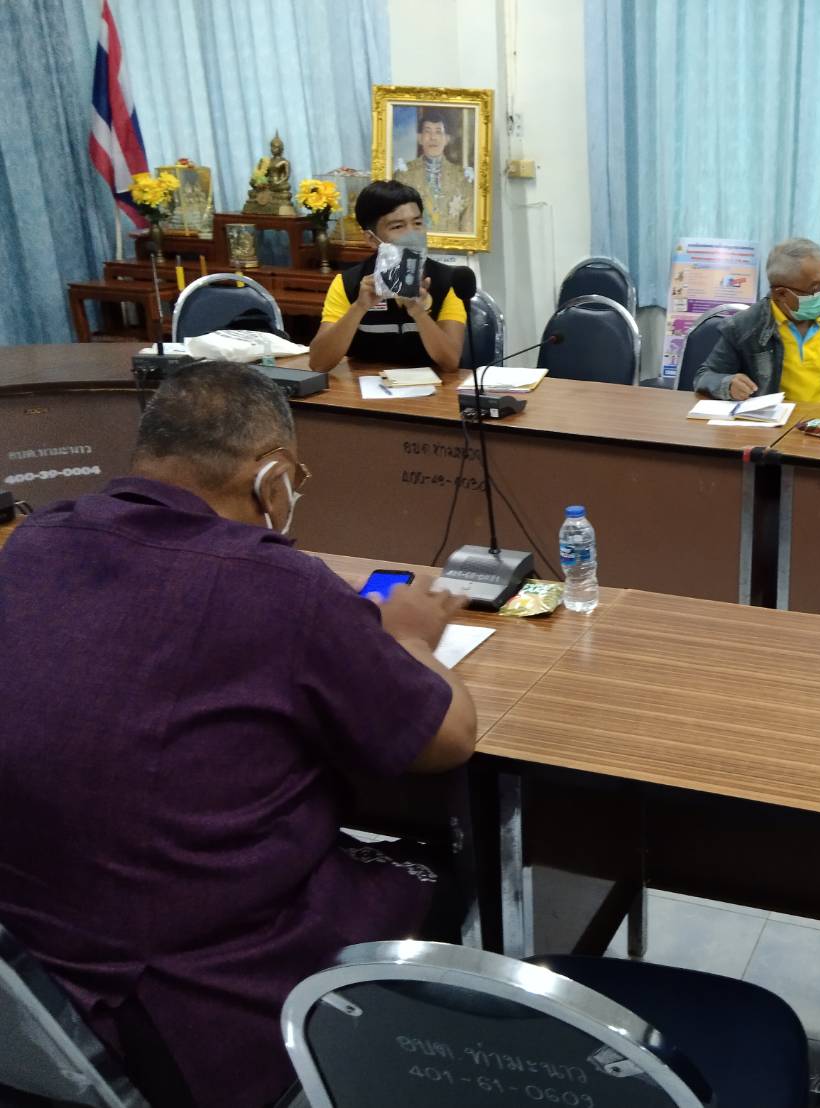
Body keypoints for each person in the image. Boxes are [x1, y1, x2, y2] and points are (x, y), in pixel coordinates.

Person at [0, 363, 478, 1108]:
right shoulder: (281, 585)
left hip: (46, 974)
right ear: (272, 476)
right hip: (196, 1003)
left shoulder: (34, 542)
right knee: (445, 863)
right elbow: (448, 738)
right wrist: (411, 638)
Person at [693, 238, 820, 405]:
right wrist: (727, 384)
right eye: (814, 288)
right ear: (781, 293)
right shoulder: (745, 327)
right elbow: (704, 376)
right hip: (775, 429)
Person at [308, 179, 467, 372]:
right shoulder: (348, 283)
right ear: (371, 239)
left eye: (417, 223)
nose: (413, 234)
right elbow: (318, 364)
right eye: (398, 227)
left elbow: (451, 362)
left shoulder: (447, 280)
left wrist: (417, 311)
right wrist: (359, 307)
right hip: (365, 386)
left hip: (434, 387)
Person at [394, 108, 474, 234]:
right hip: (414, 242)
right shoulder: (403, 176)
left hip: (451, 245)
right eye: (428, 131)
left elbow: (468, 227)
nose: (433, 137)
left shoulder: (462, 178)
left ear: (447, 139)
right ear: (420, 138)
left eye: (438, 132)